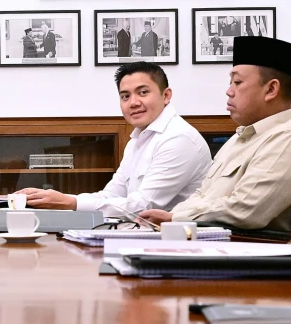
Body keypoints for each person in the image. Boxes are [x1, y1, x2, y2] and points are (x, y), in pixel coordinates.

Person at [140, 36, 291, 230]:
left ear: (271, 89)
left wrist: (174, 219)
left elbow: (245, 210)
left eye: (237, 82)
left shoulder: (289, 138)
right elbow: (202, 195)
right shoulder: (241, 137)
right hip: (204, 238)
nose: (229, 91)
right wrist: (169, 219)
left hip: (240, 246)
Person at [17, 62, 211, 216]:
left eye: (143, 92)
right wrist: (57, 200)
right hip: (143, 235)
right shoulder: (137, 140)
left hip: (175, 242)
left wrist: (70, 203)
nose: (133, 103)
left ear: (166, 95)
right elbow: (110, 195)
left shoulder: (178, 139)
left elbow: (143, 206)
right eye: (125, 96)